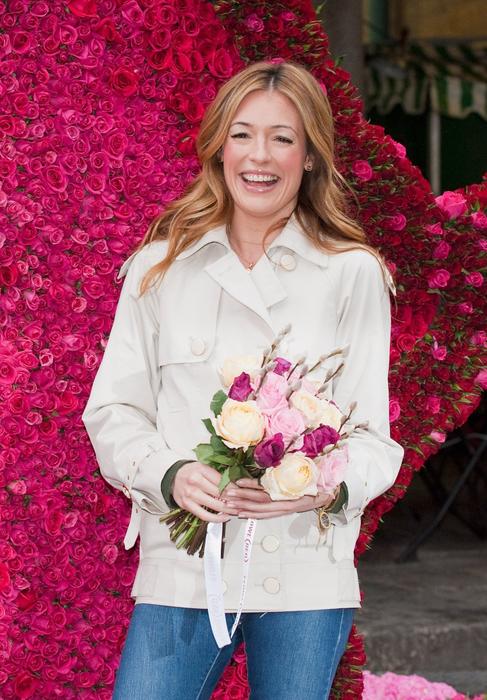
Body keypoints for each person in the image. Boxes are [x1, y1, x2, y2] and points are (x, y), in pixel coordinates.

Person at [81, 60, 404, 700]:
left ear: (309, 156)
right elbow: (113, 411)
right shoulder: (159, 268)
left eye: (283, 138)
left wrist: (314, 487)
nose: (260, 156)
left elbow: (373, 439)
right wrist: (171, 474)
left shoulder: (353, 274)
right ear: (218, 148)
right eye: (242, 134)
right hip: (184, 565)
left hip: (305, 564)